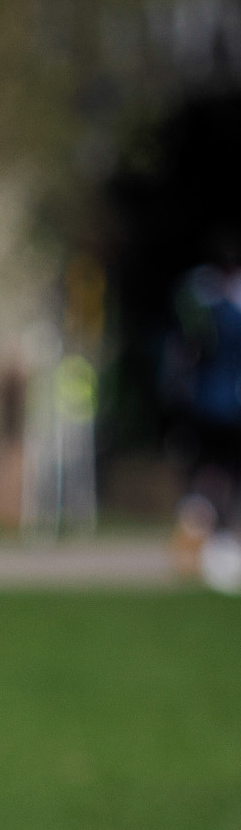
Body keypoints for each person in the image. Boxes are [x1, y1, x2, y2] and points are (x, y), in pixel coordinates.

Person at [166, 232, 241, 593]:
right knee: (222, 472)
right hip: (221, 401)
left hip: (208, 400)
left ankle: (201, 535)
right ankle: (211, 538)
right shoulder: (214, 301)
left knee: (208, 471)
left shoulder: (199, 296)